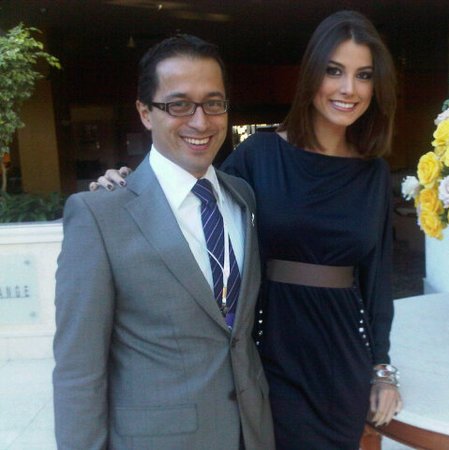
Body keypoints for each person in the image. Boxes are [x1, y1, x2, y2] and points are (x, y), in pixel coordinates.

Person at [93, 10, 402, 449]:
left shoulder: (373, 173)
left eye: (364, 75)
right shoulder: (261, 153)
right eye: (334, 71)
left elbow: (377, 278)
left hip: (340, 362)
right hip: (268, 354)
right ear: (312, 74)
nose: (348, 88)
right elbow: (194, 196)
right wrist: (129, 184)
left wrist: (382, 368)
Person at [53, 34, 275, 450]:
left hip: (252, 431)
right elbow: (78, 372)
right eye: (179, 105)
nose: (201, 122)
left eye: (213, 103)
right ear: (145, 112)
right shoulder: (101, 216)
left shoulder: (242, 197)